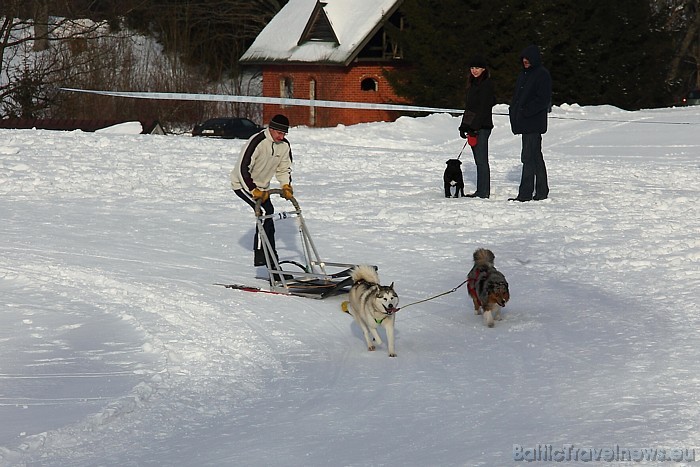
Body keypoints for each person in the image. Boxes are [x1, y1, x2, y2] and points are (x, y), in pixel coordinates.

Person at [231, 114, 294, 267]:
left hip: (263, 188)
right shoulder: (257, 141)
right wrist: (253, 189)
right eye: (279, 133)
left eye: (284, 133)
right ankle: (262, 256)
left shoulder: (284, 145)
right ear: (271, 129)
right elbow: (242, 168)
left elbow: (284, 169)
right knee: (265, 214)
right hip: (243, 185)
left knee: (269, 216)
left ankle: (271, 260)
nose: (282, 136)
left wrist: (285, 185)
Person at [508, 44, 552, 202]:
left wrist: (525, 111)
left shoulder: (542, 74)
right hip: (525, 123)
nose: (525, 61)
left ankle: (525, 194)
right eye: (523, 58)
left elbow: (543, 99)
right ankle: (542, 191)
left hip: (533, 122)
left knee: (528, 157)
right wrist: (515, 110)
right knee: (535, 156)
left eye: (528, 58)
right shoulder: (523, 74)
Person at [458, 55, 496, 198]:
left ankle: (483, 191)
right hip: (473, 127)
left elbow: (482, 109)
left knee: (481, 160)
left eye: (477, 68)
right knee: (478, 160)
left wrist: (474, 127)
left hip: (482, 127)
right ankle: (481, 190)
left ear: (484, 69)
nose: (474, 71)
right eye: (472, 68)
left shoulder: (487, 85)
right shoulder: (472, 84)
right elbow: (469, 108)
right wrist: (464, 126)